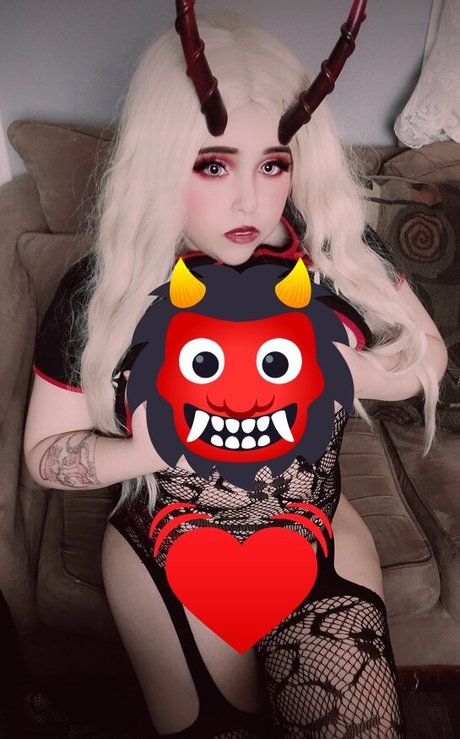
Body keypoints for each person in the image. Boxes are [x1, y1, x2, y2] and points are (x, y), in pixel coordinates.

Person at [24, 4, 448, 738]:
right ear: (162, 159)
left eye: (273, 163)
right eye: (213, 164)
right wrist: (144, 450)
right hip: (165, 549)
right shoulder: (101, 290)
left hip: (318, 536)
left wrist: (360, 371)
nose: (249, 199)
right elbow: (43, 456)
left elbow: (428, 353)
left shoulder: (341, 254)